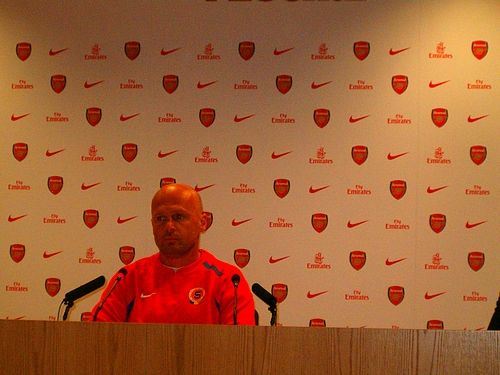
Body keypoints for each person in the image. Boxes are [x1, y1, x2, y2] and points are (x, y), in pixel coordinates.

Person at [91, 183, 255, 324]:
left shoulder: (229, 280)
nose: (169, 227)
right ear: (152, 224)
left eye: (178, 217)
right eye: (161, 219)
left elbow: (240, 346)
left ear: (202, 222)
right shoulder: (128, 277)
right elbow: (96, 336)